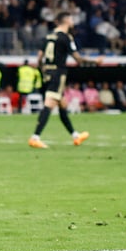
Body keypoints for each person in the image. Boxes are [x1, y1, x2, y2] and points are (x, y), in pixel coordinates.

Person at [28, 11, 96, 149]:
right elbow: (78, 59)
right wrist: (96, 62)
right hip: (58, 73)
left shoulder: (48, 36)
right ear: (66, 21)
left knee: (62, 104)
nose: (72, 21)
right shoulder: (66, 37)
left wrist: (43, 70)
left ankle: (75, 136)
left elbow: (39, 58)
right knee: (49, 103)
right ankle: (35, 137)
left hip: (47, 72)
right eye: (71, 19)